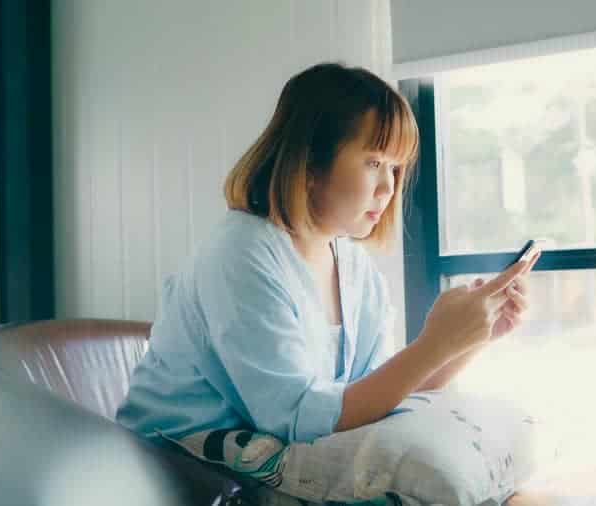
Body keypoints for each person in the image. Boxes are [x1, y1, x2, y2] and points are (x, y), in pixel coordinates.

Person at [115, 62, 539, 445]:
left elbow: (374, 396)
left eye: (395, 168)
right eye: (373, 163)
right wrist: (435, 341)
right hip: (175, 466)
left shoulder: (354, 266)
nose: (389, 188)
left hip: (254, 460)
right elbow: (296, 418)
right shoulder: (241, 254)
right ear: (311, 164)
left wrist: (470, 339)